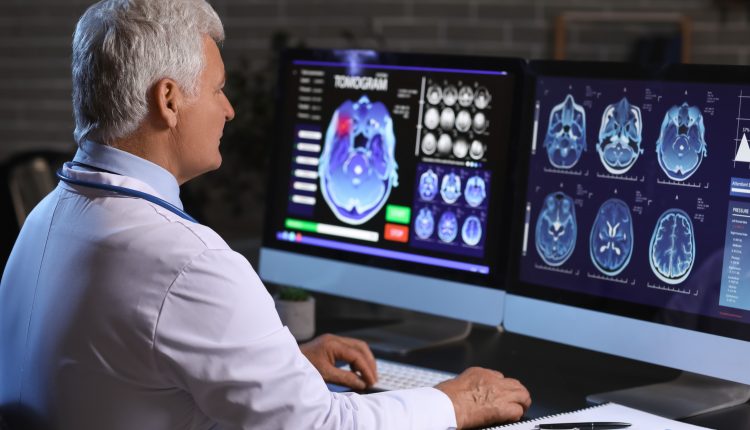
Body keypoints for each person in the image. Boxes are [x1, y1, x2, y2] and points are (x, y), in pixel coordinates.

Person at [0, 1, 531, 429]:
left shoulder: (45, 220)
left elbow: (132, 366)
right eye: (216, 88)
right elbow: (319, 426)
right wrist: (452, 404)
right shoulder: (188, 263)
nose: (229, 108)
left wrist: (282, 364)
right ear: (168, 100)